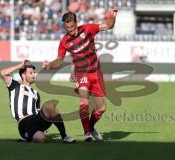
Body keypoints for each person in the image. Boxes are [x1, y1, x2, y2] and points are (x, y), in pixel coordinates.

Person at [42, 7, 118, 142]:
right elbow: (59, 61)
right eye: (67, 28)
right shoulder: (64, 42)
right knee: (84, 101)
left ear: (76, 23)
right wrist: (50, 66)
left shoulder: (88, 29)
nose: (70, 30)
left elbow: (108, 25)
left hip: (96, 72)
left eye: (72, 26)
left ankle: (91, 127)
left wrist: (112, 15)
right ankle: (87, 132)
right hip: (81, 73)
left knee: (101, 107)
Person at [0, 60, 75, 143]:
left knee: (50, 105)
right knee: (41, 139)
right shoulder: (15, 86)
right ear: (23, 75)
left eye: (34, 73)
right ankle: (29, 137)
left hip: (36, 119)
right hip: (25, 123)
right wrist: (20, 65)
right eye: (31, 73)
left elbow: (37, 110)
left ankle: (64, 136)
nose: (34, 75)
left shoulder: (35, 93)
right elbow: (3, 73)